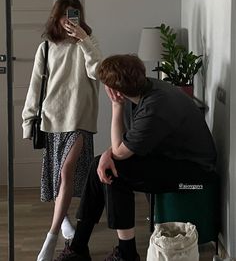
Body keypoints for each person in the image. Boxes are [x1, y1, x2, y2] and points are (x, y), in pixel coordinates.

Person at [54, 54, 217, 261]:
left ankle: (126, 253)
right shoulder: (145, 91)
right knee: (100, 164)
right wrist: (107, 154)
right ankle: (78, 248)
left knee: (113, 171)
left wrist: (115, 107)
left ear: (114, 91)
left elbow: (121, 152)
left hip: (195, 176)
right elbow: (124, 143)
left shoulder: (154, 105)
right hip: (172, 160)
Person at [22, 0, 102, 261]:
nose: (70, 20)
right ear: (56, 17)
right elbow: (35, 87)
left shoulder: (87, 43)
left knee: (66, 172)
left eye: (75, 14)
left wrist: (84, 40)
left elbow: (99, 71)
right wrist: (28, 120)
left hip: (79, 119)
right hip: (52, 119)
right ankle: (64, 218)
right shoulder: (46, 47)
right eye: (66, 15)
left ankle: (51, 236)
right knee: (59, 179)